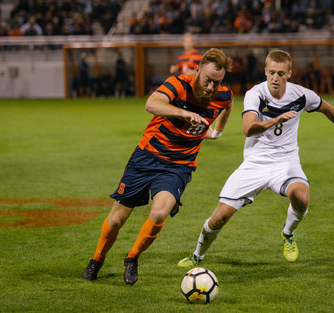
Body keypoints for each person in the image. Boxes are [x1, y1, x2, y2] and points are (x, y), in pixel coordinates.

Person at [177, 49, 334, 268]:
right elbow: (248, 129)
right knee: (219, 217)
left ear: (289, 73)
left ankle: (288, 234)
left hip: (286, 162)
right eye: (272, 72)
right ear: (265, 71)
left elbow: (326, 108)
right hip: (255, 163)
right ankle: (197, 255)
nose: (276, 78)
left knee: (302, 196)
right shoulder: (255, 94)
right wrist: (276, 119)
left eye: (281, 74)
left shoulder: (301, 95)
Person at [82, 48, 234, 285]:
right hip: (147, 157)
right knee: (115, 220)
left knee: (160, 212)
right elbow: (152, 103)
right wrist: (184, 113)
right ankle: (97, 259)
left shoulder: (222, 94)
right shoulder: (178, 84)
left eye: (217, 82)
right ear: (197, 70)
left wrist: (217, 131)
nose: (211, 87)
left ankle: (132, 258)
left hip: (179, 165)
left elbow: (228, 103)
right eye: (208, 81)